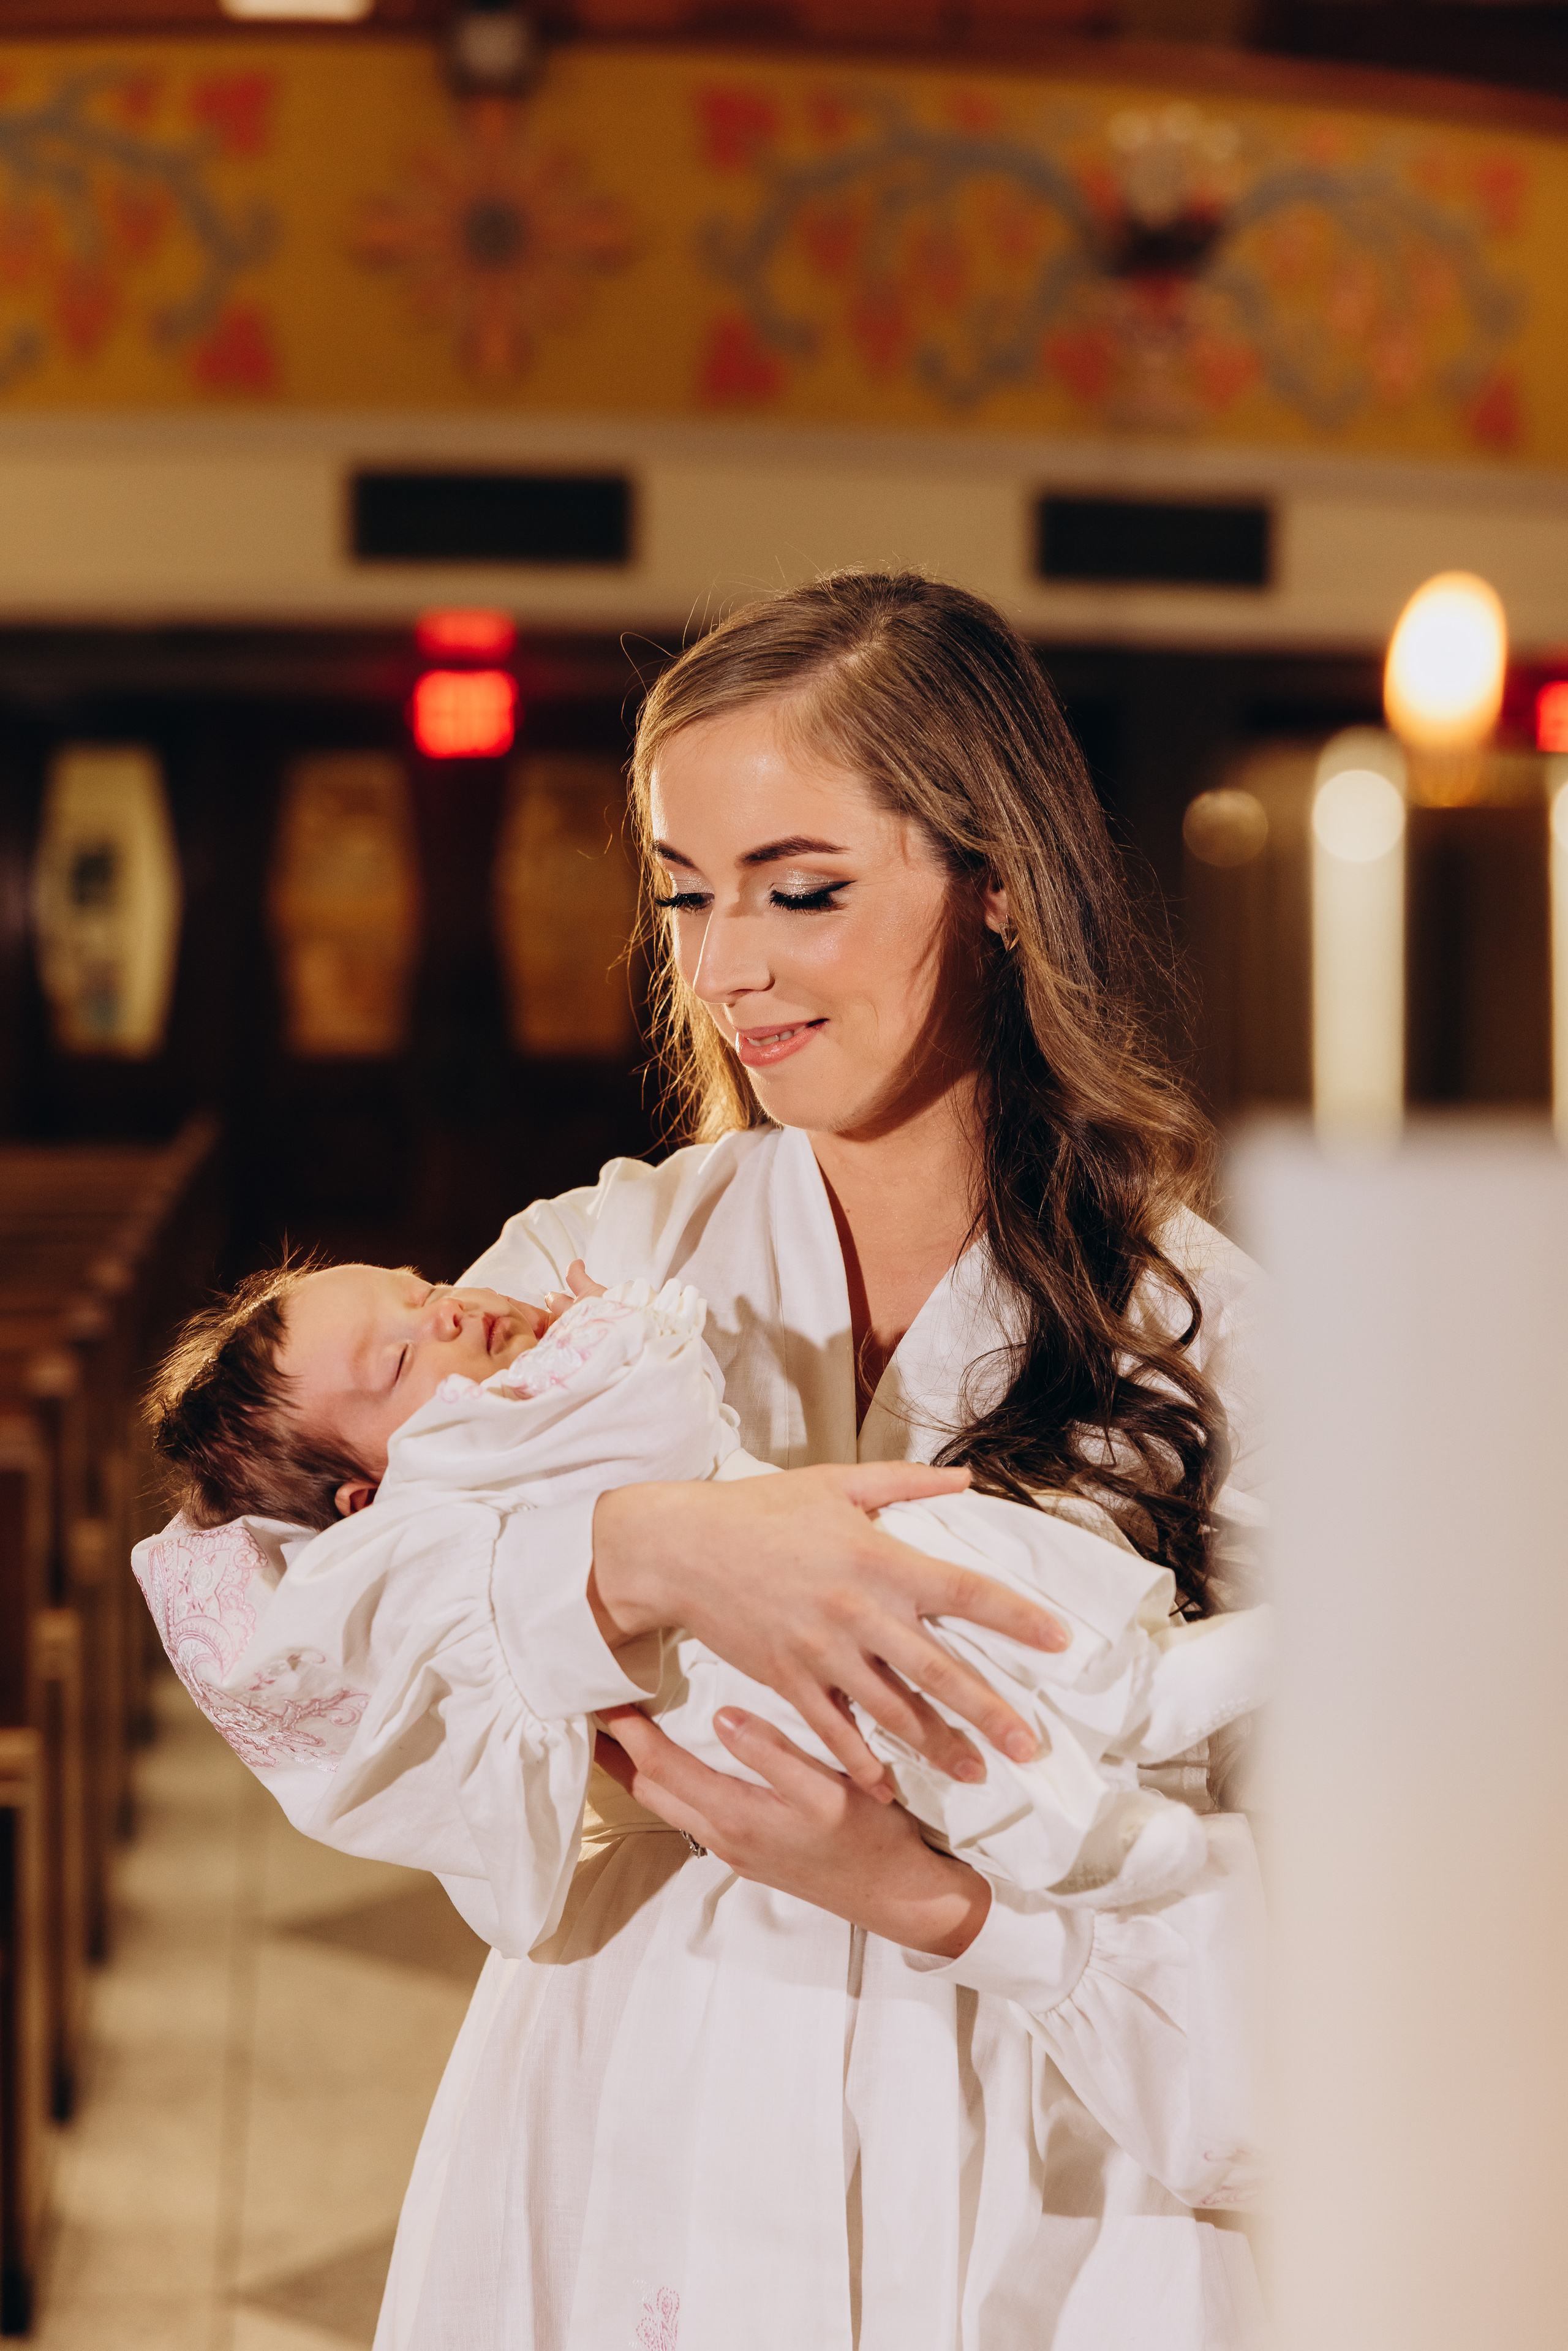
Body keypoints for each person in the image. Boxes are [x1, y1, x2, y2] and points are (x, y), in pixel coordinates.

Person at [144, 570, 1268, 2350]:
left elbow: (1375, 1942)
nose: (727, 964)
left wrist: (933, 1893)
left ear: (997, 880)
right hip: (630, 2124)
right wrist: (650, 1555)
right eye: (686, 893)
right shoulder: (597, 1260)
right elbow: (275, 1620)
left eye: (801, 889)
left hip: (1030, 2174)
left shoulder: (1209, 1339)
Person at [137, 1259, 1270, 1925]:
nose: (440, 1313)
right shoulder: (453, 1469)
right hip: (737, 1697)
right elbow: (654, 1408)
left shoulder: (487, 1402)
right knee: (897, 1722)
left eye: (420, 1286)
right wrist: (614, 1334)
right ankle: (1080, 1829)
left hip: (809, 1580)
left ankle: (1136, 1693)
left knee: (950, 1576)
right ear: (361, 1493)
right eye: (393, 1361)